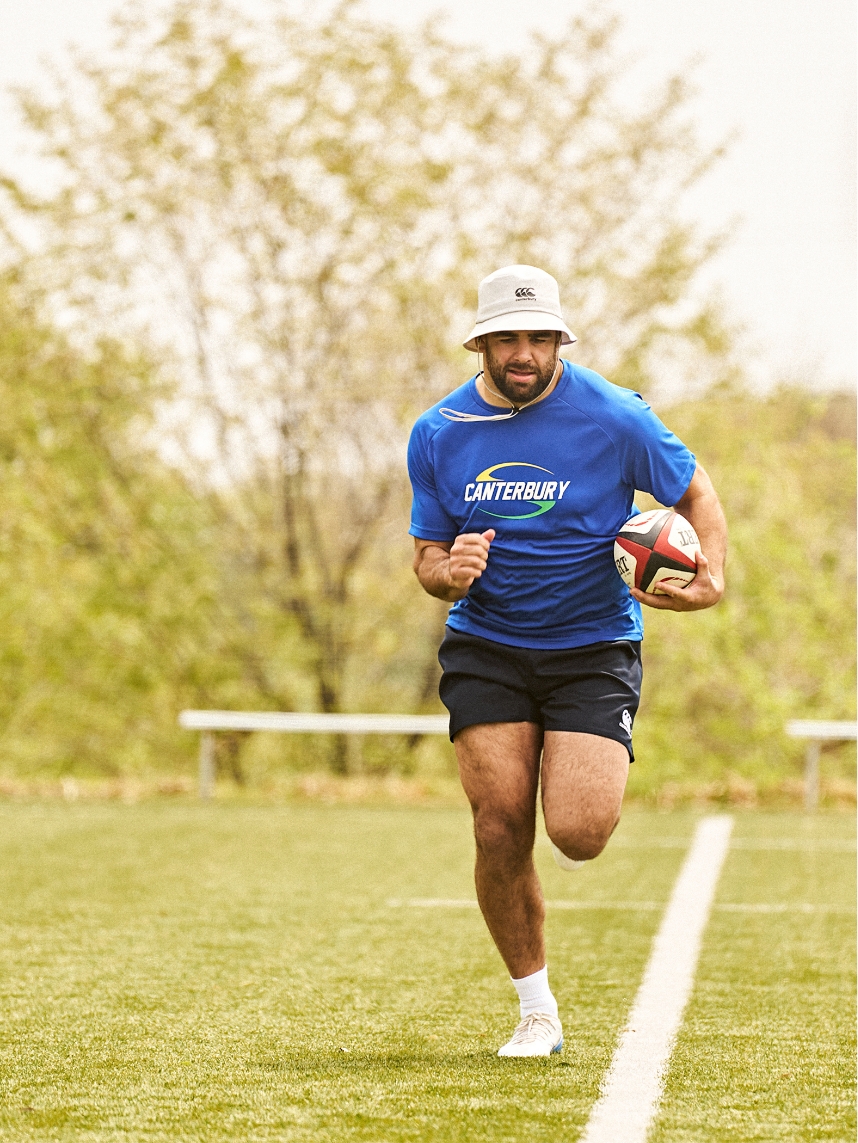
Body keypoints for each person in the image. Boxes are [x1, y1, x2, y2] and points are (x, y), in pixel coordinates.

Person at [407, 265, 727, 1058]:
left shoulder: (616, 415)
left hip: (593, 645)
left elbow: (698, 495)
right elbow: (426, 553)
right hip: (488, 644)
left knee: (579, 831)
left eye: (538, 337)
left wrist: (711, 579)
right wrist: (448, 571)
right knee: (497, 823)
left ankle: (592, 765)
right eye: (508, 338)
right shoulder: (439, 431)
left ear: (559, 340)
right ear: (482, 342)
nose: (524, 352)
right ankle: (536, 1011)